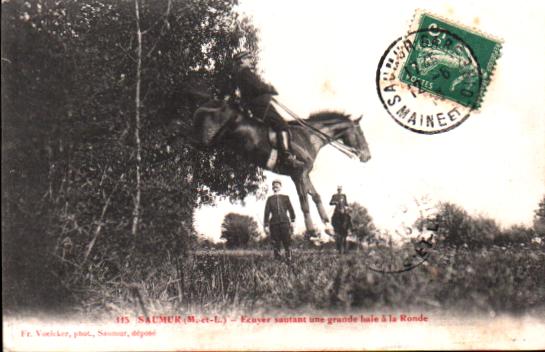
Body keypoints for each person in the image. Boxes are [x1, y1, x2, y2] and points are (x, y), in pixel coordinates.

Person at [232, 51, 303, 170]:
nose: (250, 60)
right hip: (261, 107)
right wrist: (270, 88)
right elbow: (258, 87)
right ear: (242, 61)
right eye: (248, 58)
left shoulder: (239, 75)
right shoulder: (246, 72)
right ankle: (287, 156)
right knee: (282, 125)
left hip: (255, 106)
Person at [263, 179, 296, 260]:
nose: (275, 186)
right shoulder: (270, 199)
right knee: (276, 242)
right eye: (274, 185)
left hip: (285, 222)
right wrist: (266, 225)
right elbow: (266, 212)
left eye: (277, 185)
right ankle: (277, 260)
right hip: (274, 224)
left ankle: (289, 258)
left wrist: (293, 220)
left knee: (286, 240)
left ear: (280, 187)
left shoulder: (285, 197)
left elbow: (291, 209)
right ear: (272, 188)